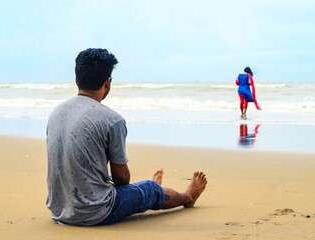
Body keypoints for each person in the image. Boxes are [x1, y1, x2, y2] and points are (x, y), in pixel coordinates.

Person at [46, 48, 207, 226]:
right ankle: (187, 196)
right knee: (150, 189)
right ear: (107, 83)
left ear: (76, 80)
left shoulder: (56, 113)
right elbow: (122, 179)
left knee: (135, 189)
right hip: (95, 211)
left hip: (60, 210)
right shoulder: (112, 120)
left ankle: (149, 193)